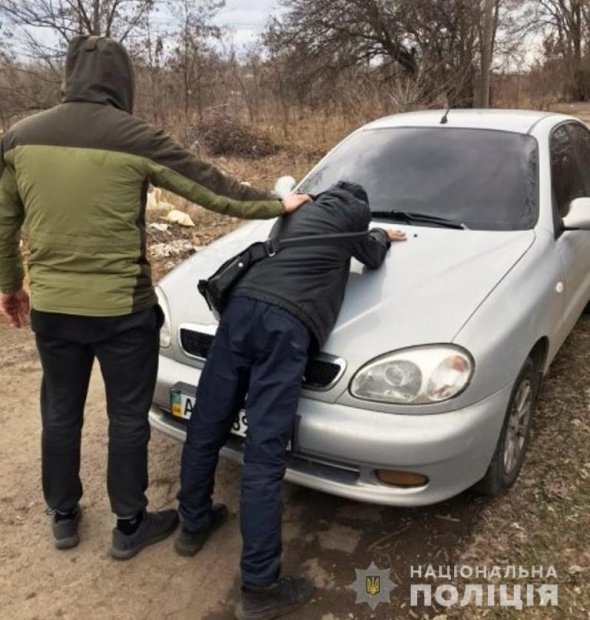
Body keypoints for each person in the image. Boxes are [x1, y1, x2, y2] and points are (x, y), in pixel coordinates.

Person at [0, 35, 309, 559]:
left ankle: (64, 515)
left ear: (69, 76)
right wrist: (278, 204)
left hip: (53, 307)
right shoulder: (135, 136)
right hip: (122, 309)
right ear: (123, 82)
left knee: (59, 410)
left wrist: (10, 286)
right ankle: (129, 525)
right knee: (125, 417)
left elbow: (4, 224)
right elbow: (212, 187)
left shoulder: (19, 138)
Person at [177, 181, 407, 620]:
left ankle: (193, 524)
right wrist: (379, 235)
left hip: (241, 309)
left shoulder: (298, 209)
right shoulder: (354, 218)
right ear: (360, 207)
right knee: (263, 456)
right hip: (286, 324)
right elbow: (371, 254)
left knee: (206, 424)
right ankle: (261, 587)